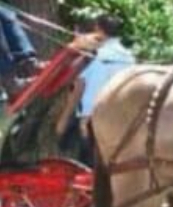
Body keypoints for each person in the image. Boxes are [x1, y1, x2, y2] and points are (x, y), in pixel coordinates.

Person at [55, 14, 135, 164]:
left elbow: (80, 87)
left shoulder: (93, 55)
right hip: (121, 117)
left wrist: (64, 119)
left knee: (87, 165)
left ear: (98, 29)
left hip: (93, 119)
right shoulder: (130, 57)